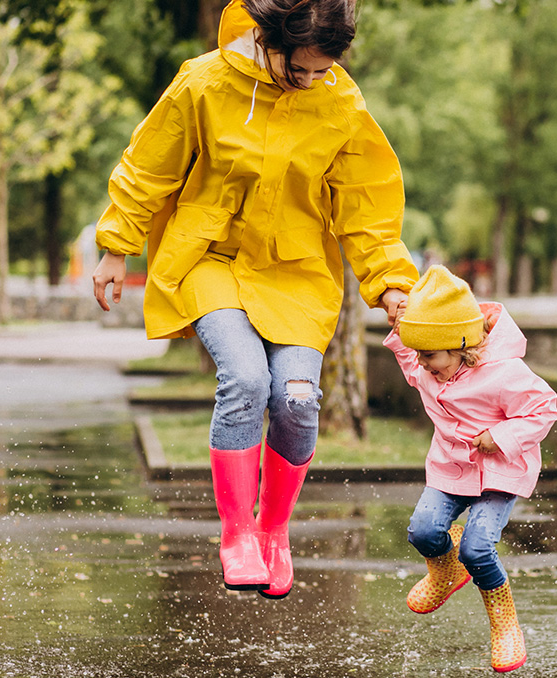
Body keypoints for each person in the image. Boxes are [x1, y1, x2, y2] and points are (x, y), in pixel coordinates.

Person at [92, 0, 418, 599]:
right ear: (269, 40)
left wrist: (390, 282)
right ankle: (237, 533)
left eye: (325, 71)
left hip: (295, 272)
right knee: (244, 380)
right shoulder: (205, 81)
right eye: (302, 72)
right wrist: (118, 244)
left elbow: (368, 208)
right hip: (211, 259)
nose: (315, 82)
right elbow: (150, 162)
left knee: (296, 400)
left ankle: (274, 532)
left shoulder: (341, 104)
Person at [383, 265, 557, 673]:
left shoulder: (504, 372)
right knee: (423, 530)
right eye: (420, 354)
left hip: (499, 470)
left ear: (459, 345)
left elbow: (543, 409)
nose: (421, 364)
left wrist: (501, 436)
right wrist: (397, 308)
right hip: (451, 468)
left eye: (429, 355)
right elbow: (406, 345)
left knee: (477, 547)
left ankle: (504, 625)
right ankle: (445, 570)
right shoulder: (427, 362)